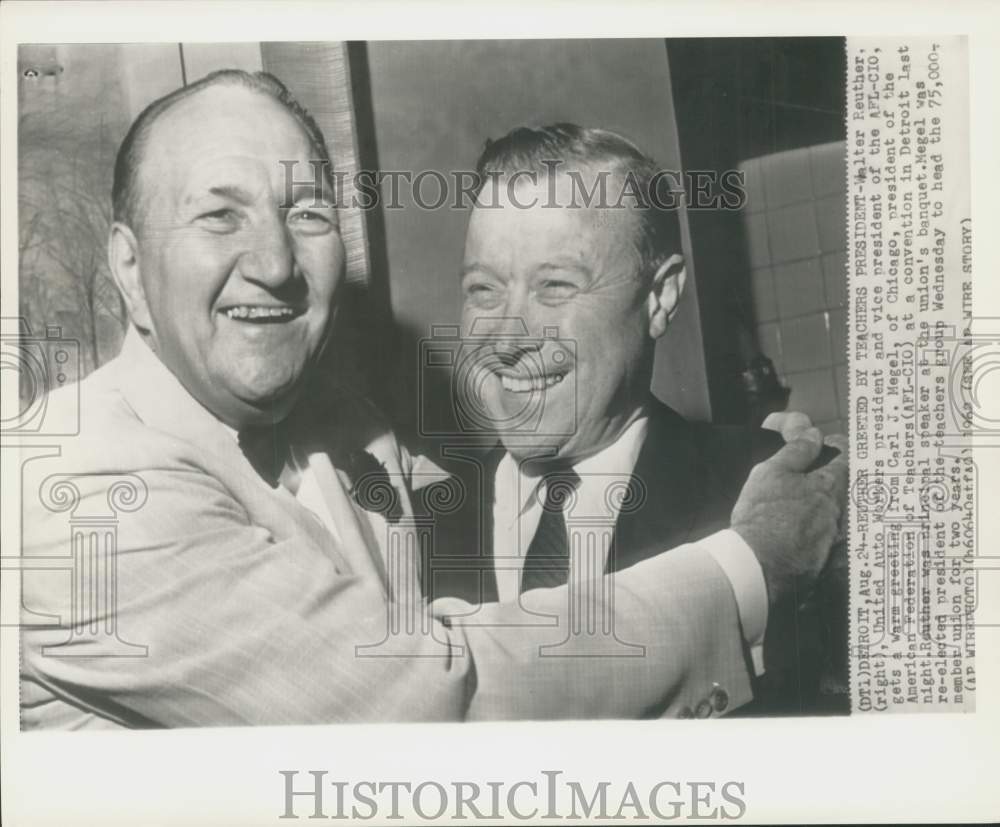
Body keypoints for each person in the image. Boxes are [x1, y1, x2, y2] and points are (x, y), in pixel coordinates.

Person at [19, 71, 847, 729]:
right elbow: (439, 702)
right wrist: (750, 565)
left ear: (662, 297)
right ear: (127, 268)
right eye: (217, 215)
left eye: (304, 211)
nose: (273, 260)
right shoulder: (72, 496)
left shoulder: (784, 488)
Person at [426, 124, 847, 710]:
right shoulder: (405, 534)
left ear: (660, 296)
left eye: (554, 286)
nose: (506, 336)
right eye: (483, 289)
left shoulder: (788, 502)